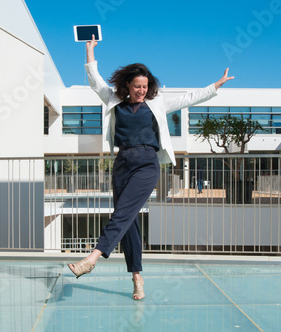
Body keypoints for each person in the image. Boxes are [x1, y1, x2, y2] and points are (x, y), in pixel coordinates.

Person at [68, 35, 234, 300]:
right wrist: (89, 51)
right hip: (122, 164)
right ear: (128, 86)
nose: (142, 90)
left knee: (121, 214)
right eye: (137, 86)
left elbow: (189, 98)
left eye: (145, 86)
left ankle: (93, 257)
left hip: (147, 163)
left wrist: (215, 85)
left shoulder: (157, 103)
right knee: (129, 220)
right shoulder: (114, 101)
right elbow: (94, 80)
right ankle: (137, 278)